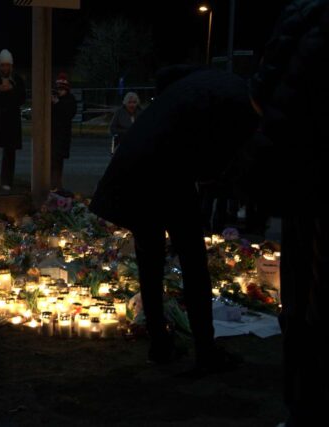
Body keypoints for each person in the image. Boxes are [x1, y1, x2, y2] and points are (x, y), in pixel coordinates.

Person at [90, 66, 258, 373]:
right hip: (166, 177)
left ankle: (160, 344)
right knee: (193, 264)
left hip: (139, 173)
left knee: (151, 262)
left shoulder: (200, 91)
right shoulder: (235, 100)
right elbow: (217, 158)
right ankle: (205, 350)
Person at [250, 1, 329, 424]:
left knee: (305, 306)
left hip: (305, 184)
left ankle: (303, 407)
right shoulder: (307, 22)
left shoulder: (304, 17)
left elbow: (261, 94)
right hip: (308, 185)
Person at [0, 49, 26, 191]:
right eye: (2, 65)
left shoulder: (17, 79)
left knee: (9, 152)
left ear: (11, 65)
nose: (5, 68)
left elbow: (22, 98)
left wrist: (11, 89)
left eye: (7, 65)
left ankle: (7, 181)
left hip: (11, 121)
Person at [51, 72, 77, 190]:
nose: (60, 91)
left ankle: (57, 184)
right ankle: (52, 184)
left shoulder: (69, 100)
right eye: (58, 89)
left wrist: (57, 103)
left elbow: (68, 114)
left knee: (58, 161)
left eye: (62, 89)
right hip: (52, 133)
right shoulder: (53, 99)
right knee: (51, 160)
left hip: (62, 135)